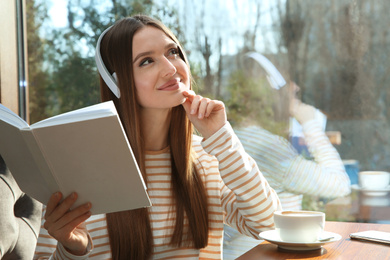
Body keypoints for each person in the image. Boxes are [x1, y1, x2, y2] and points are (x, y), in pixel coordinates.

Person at [33, 15, 281, 260]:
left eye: (172, 52)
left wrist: (221, 136)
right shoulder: (78, 174)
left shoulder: (208, 158)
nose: (171, 68)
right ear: (117, 83)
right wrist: (72, 250)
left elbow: (270, 225)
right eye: (147, 61)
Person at [223, 82, 351, 259]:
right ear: (271, 101)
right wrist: (310, 123)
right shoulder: (269, 149)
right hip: (263, 255)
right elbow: (339, 184)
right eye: (291, 97)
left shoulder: (232, 138)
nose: (296, 94)